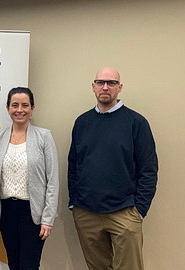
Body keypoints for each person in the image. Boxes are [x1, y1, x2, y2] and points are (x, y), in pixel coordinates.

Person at [68, 67, 158, 270]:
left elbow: (148, 169)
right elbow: (74, 164)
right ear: (93, 87)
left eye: (111, 83)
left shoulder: (136, 122)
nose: (105, 87)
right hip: (86, 212)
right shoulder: (82, 122)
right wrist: (75, 202)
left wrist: (139, 210)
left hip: (124, 212)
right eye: (100, 82)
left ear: (120, 87)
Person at [0, 87, 59, 270]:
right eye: (15, 105)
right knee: (14, 264)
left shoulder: (44, 136)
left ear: (32, 107)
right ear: (8, 108)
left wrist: (47, 219)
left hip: (33, 213)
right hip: (7, 211)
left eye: (25, 105)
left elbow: (53, 180)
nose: (20, 110)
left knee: (29, 265)